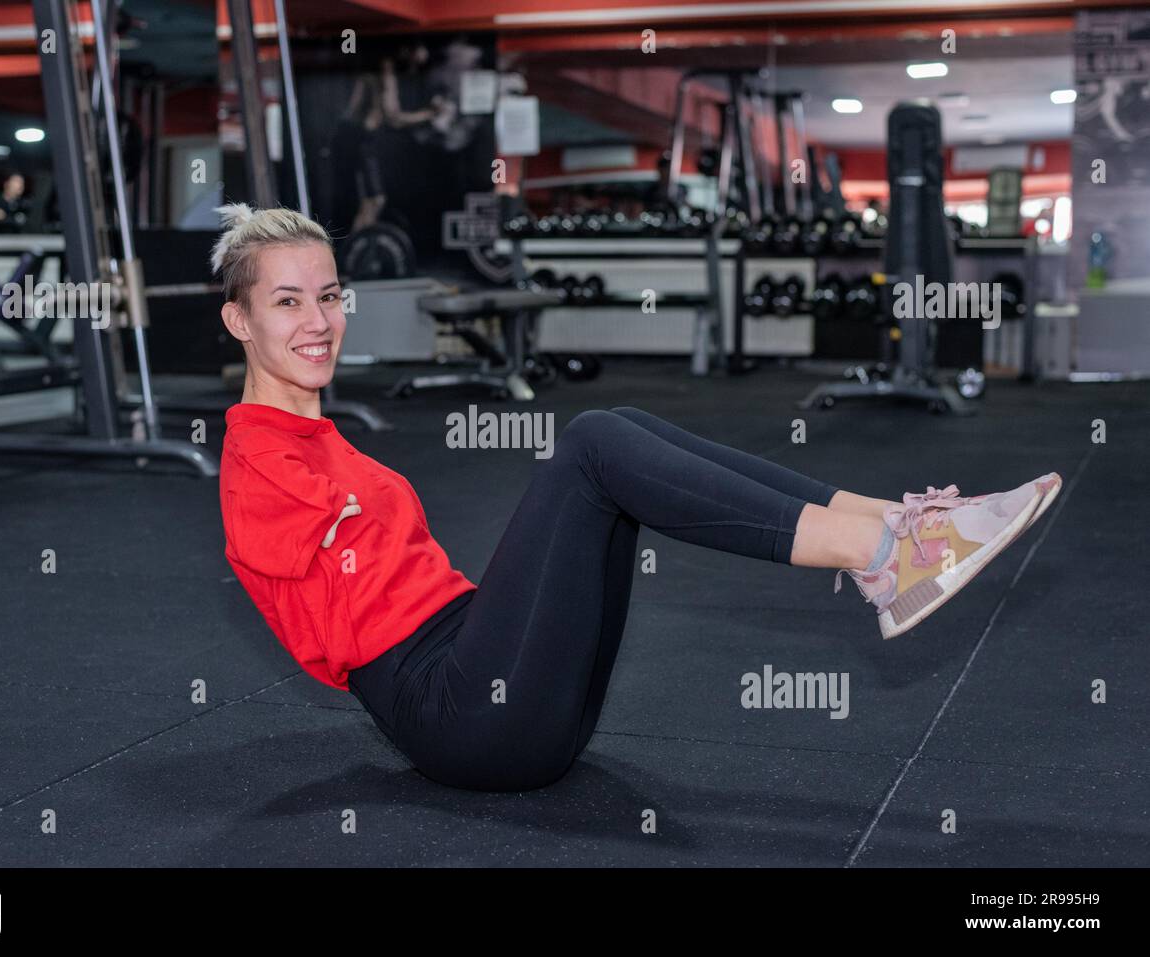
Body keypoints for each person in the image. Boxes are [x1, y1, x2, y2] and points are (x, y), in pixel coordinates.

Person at [212, 203, 1062, 793]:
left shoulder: (319, 436)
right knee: (590, 444)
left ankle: (902, 525)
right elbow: (333, 625)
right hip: (463, 718)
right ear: (239, 321)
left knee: (619, 422)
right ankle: (885, 557)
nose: (318, 319)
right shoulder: (256, 460)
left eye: (327, 295)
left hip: (513, 691)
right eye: (286, 301)